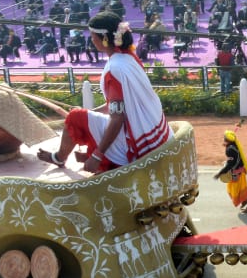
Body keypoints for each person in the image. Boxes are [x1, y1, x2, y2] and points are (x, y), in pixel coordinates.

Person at [37, 11, 170, 173]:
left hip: (137, 144)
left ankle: (59, 158)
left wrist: (97, 156)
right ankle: (71, 152)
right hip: (156, 132)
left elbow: (117, 118)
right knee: (82, 115)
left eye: (93, 36)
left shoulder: (114, 70)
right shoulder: (130, 57)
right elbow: (119, 106)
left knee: (74, 116)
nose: (91, 40)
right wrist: (91, 112)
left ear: (105, 39)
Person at [215, 129, 247, 214]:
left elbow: (230, 164)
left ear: (227, 140)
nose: (223, 138)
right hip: (240, 170)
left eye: (224, 137)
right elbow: (235, 160)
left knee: (236, 190)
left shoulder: (229, 149)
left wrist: (220, 173)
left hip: (237, 173)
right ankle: (245, 202)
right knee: (238, 189)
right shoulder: (234, 145)